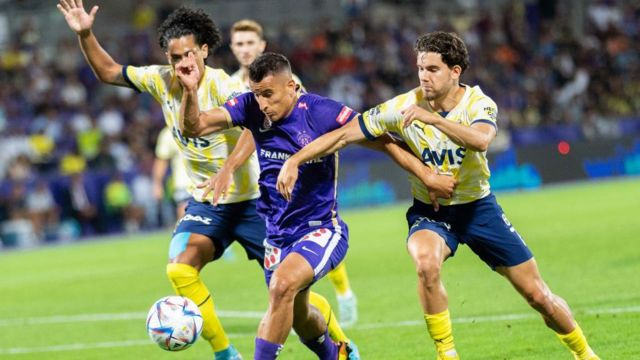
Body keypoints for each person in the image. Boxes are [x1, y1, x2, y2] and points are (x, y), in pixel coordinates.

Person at [276, 31, 600, 360]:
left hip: (479, 210)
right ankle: (447, 355)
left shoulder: (478, 102)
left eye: (433, 69)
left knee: (538, 296)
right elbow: (345, 134)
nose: (423, 76)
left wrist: (432, 119)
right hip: (431, 212)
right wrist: (296, 159)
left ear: (455, 71)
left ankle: (585, 354)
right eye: (420, 68)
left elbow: (480, 140)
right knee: (426, 265)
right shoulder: (402, 107)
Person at [57, 2, 353, 359]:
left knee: (288, 288)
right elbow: (107, 71)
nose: (183, 62)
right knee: (180, 268)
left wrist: (228, 167)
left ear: (205, 51)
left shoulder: (225, 86)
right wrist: (85, 33)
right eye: (174, 56)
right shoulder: (158, 80)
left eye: (189, 53)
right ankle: (225, 353)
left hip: (251, 202)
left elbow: (255, 124)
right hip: (208, 203)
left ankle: (342, 348)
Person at [177, 51, 454, 359]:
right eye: (257, 95)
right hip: (276, 234)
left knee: (282, 286)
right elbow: (195, 126)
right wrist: (190, 91)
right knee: (299, 315)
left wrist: (427, 175)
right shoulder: (251, 107)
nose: (263, 104)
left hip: (320, 229)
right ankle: (336, 354)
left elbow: (381, 138)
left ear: (292, 87)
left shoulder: (322, 112)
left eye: (269, 94)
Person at [219, 18, 359, 328]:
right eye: (239, 44)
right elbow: (252, 128)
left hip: (303, 183)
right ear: (232, 48)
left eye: (250, 44)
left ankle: (344, 293)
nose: (245, 50)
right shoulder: (233, 85)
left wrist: (295, 160)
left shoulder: (286, 82)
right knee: (285, 290)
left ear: (262, 46)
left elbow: (312, 127)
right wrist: (230, 166)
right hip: (269, 187)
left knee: (293, 273)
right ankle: (331, 343)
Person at [152, 126, 191, 219]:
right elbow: (161, 160)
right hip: (184, 183)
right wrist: (157, 184)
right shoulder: (168, 133)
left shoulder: (205, 123)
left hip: (207, 180)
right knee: (185, 214)